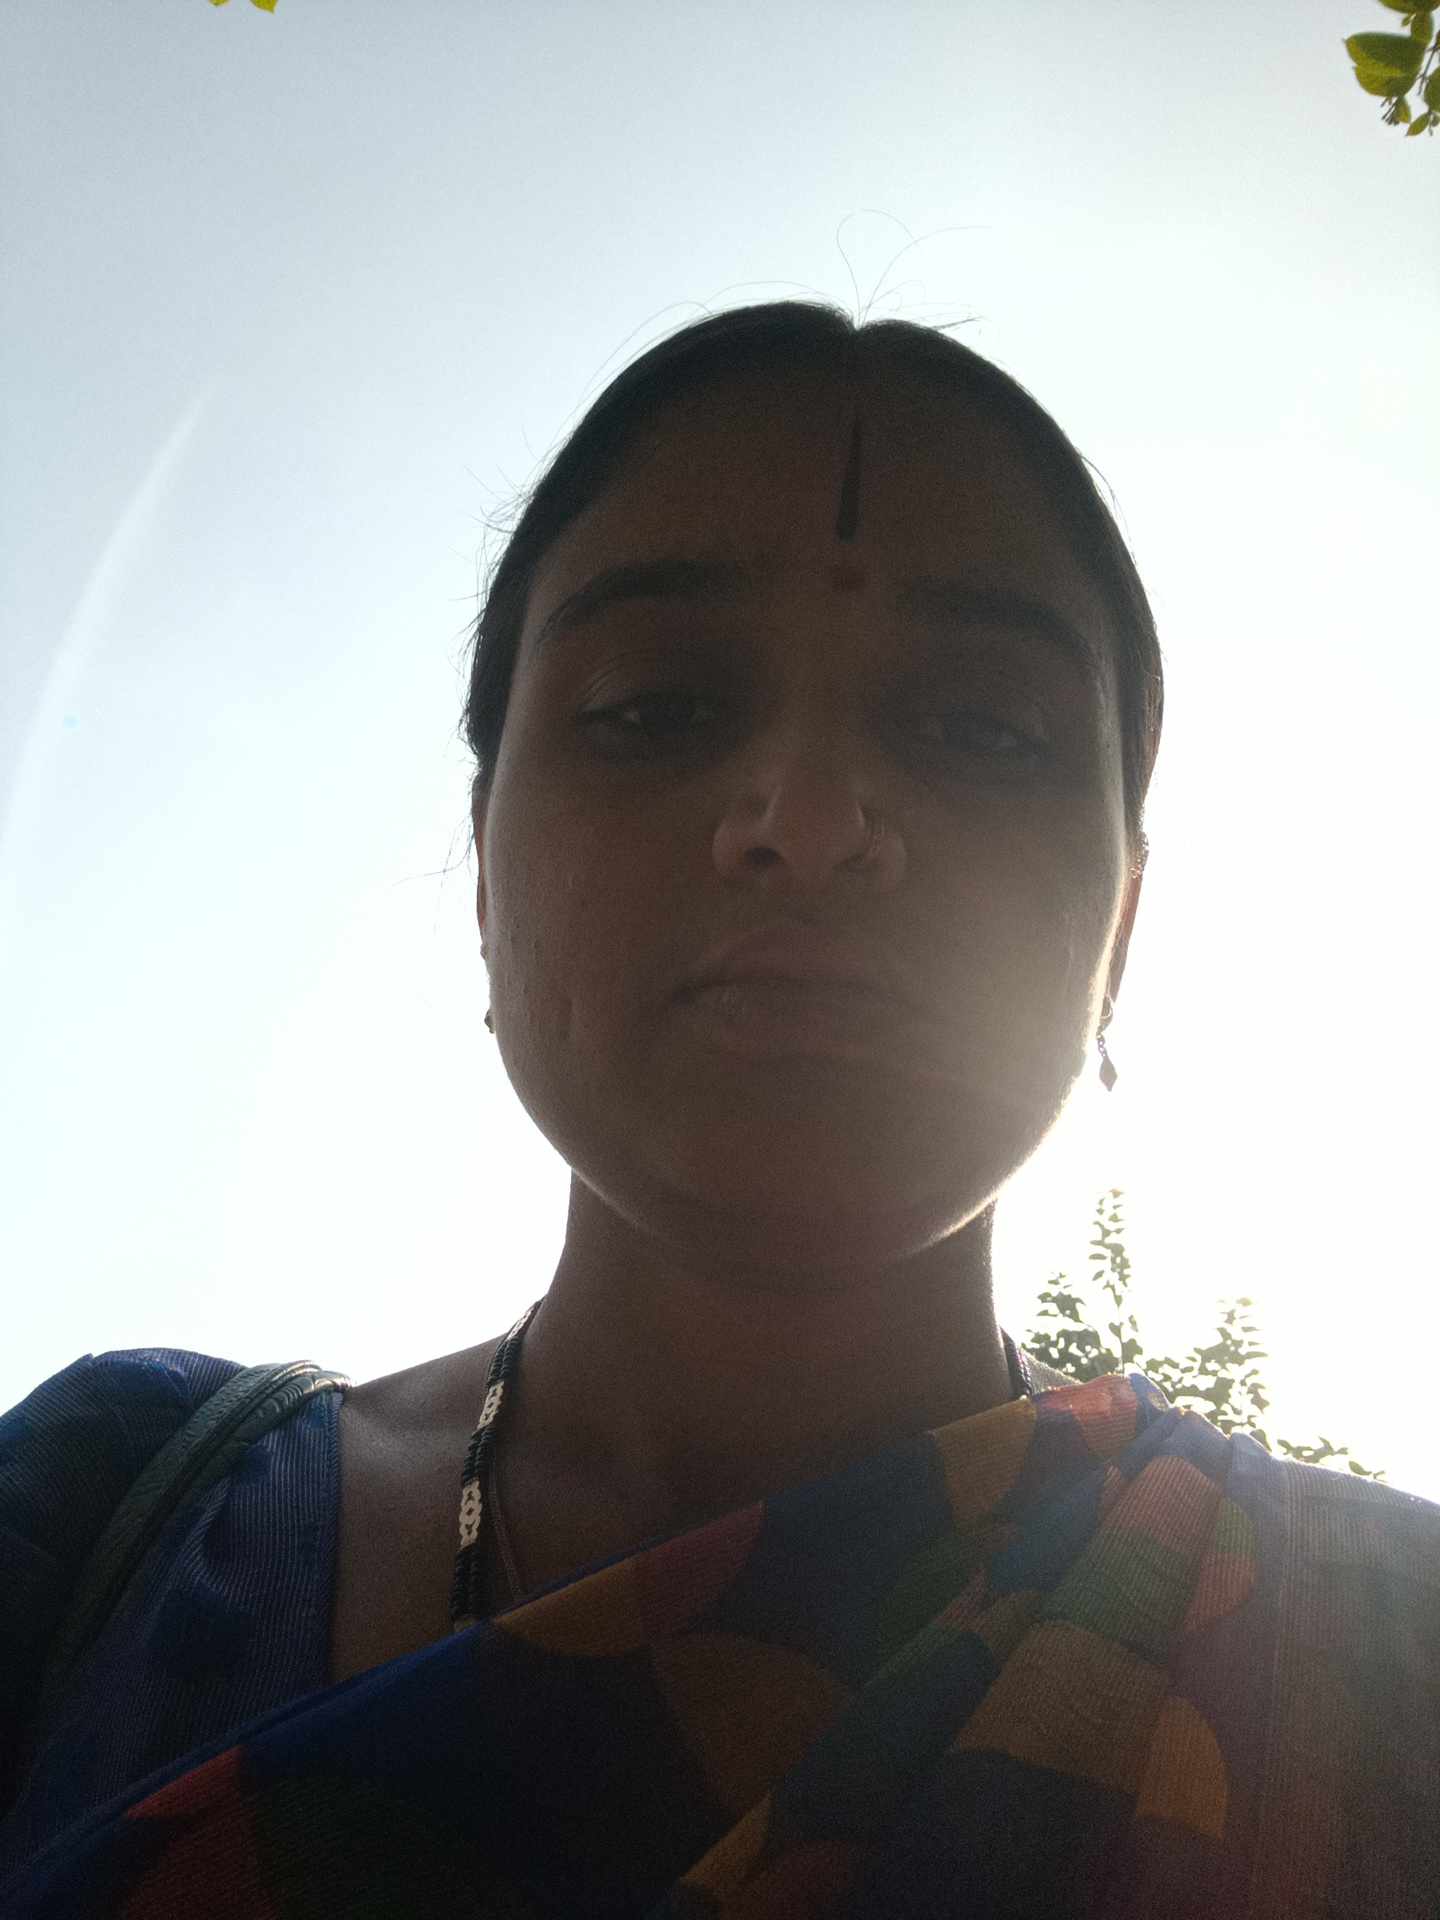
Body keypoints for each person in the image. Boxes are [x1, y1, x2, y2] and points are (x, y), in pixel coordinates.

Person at [1, 300, 1435, 1917]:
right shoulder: (98, 1521)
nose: (808, 818)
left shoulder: (1377, 1669)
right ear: (486, 873)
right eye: (655, 708)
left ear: (1121, 928)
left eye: (983, 729)